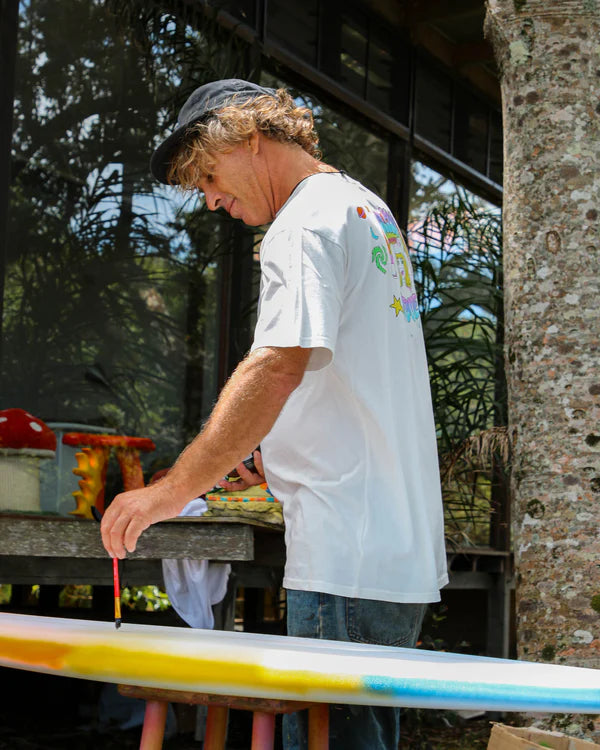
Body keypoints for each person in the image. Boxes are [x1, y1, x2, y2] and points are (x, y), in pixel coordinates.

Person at [100, 78, 448, 749]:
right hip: (393, 546)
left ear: (249, 137)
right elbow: (342, 368)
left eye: (209, 175)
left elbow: (276, 367)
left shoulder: (302, 224)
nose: (212, 199)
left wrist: (170, 492)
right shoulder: (363, 207)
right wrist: (279, 445)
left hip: (345, 547)